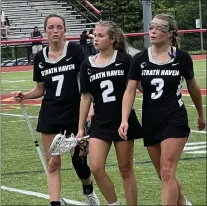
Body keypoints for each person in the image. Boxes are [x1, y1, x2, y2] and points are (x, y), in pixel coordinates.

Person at [12, 14, 99, 206]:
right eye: (51, 27)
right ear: (45, 32)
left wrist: (91, 106)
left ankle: (88, 190)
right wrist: (25, 95)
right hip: (50, 115)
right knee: (53, 163)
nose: (55, 31)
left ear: (65, 30)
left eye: (59, 27)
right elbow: (40, 89)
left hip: (75, 114)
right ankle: (54, 203)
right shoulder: (39, 57)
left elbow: (87, 83)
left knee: (80, 163)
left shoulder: (75, 51)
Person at [119, 13, 206, 205]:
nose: (153, 31)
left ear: (170, 34)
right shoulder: (140, 58)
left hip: (175, 118)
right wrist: (124, 118)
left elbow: (193, 87)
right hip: (151, 120)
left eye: (159, 28)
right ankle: (183, 202)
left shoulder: (181, 58)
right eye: (151, 27)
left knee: (167, 171)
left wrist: (201, 114)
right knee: (163, 174)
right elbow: (130, 90)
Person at [77, 21, 142, 205]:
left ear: (112, 39)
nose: (95, 39)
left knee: (126, 169)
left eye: (100, 35)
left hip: (123, 120)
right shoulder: (87, 65)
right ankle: (113, 204)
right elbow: (86, 98)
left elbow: (138, 87)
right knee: (96, 168)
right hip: (100, 122)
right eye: (94, 35)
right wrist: (81, 127)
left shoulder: (125, 60)